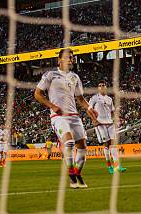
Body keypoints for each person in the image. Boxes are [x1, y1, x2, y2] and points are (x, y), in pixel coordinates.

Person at [34, 48, 98, 189]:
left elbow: (80, 98)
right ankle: (71, 174)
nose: (71, 59)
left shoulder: (75, 77)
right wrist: (52, 106)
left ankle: (77, 174)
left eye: (72, 57)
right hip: (58, 116)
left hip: (74, 116)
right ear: (59, 60)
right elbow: (37, 94)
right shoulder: (50, 75)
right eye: (68, 57)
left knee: (82, 148)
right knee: (68, 142)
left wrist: (90, 109)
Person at [88, 81, 126, 174]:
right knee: (106, 145)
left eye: (103, 85)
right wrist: (94, 120)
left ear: (106, 87)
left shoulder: (109, 99)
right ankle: (109, 166)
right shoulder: (94, 98)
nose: (101, 87)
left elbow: (113, 111)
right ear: (98, 88)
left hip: (110, 123)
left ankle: (117, 166)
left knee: (113, 144)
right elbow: (88, 110)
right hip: (100, 124)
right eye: (99, 85)